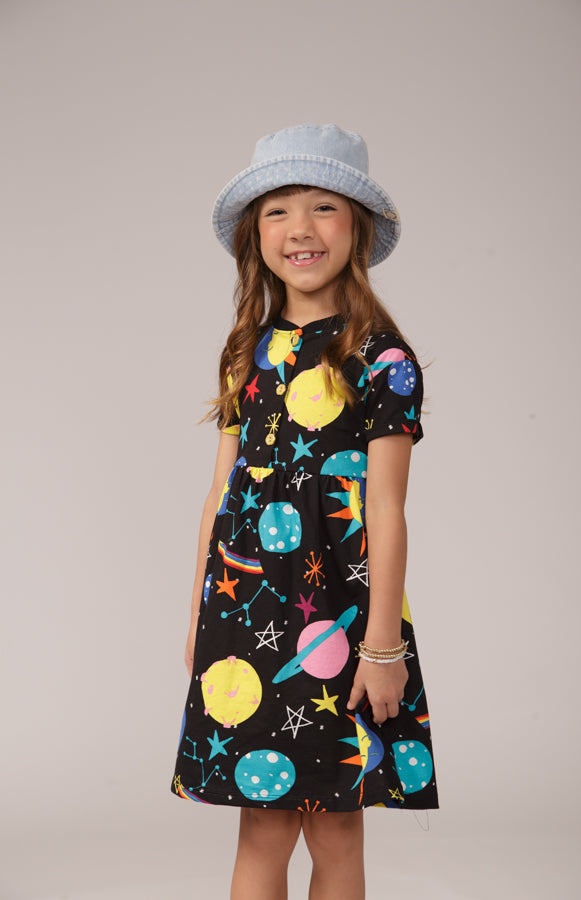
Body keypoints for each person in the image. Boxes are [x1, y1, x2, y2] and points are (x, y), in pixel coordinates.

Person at [170, 123, 438, 900]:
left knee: (335, 826)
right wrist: (197, 615)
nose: (300, 228)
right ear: (255, 236)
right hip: (244, 611)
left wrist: (382, 646)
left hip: (342, 621)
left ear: (357, 228)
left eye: (323, 207)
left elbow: (386, 509)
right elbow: (221, 494)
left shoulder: (381, 357)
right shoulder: (245, 351)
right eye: (278, 211)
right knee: (261, 827)